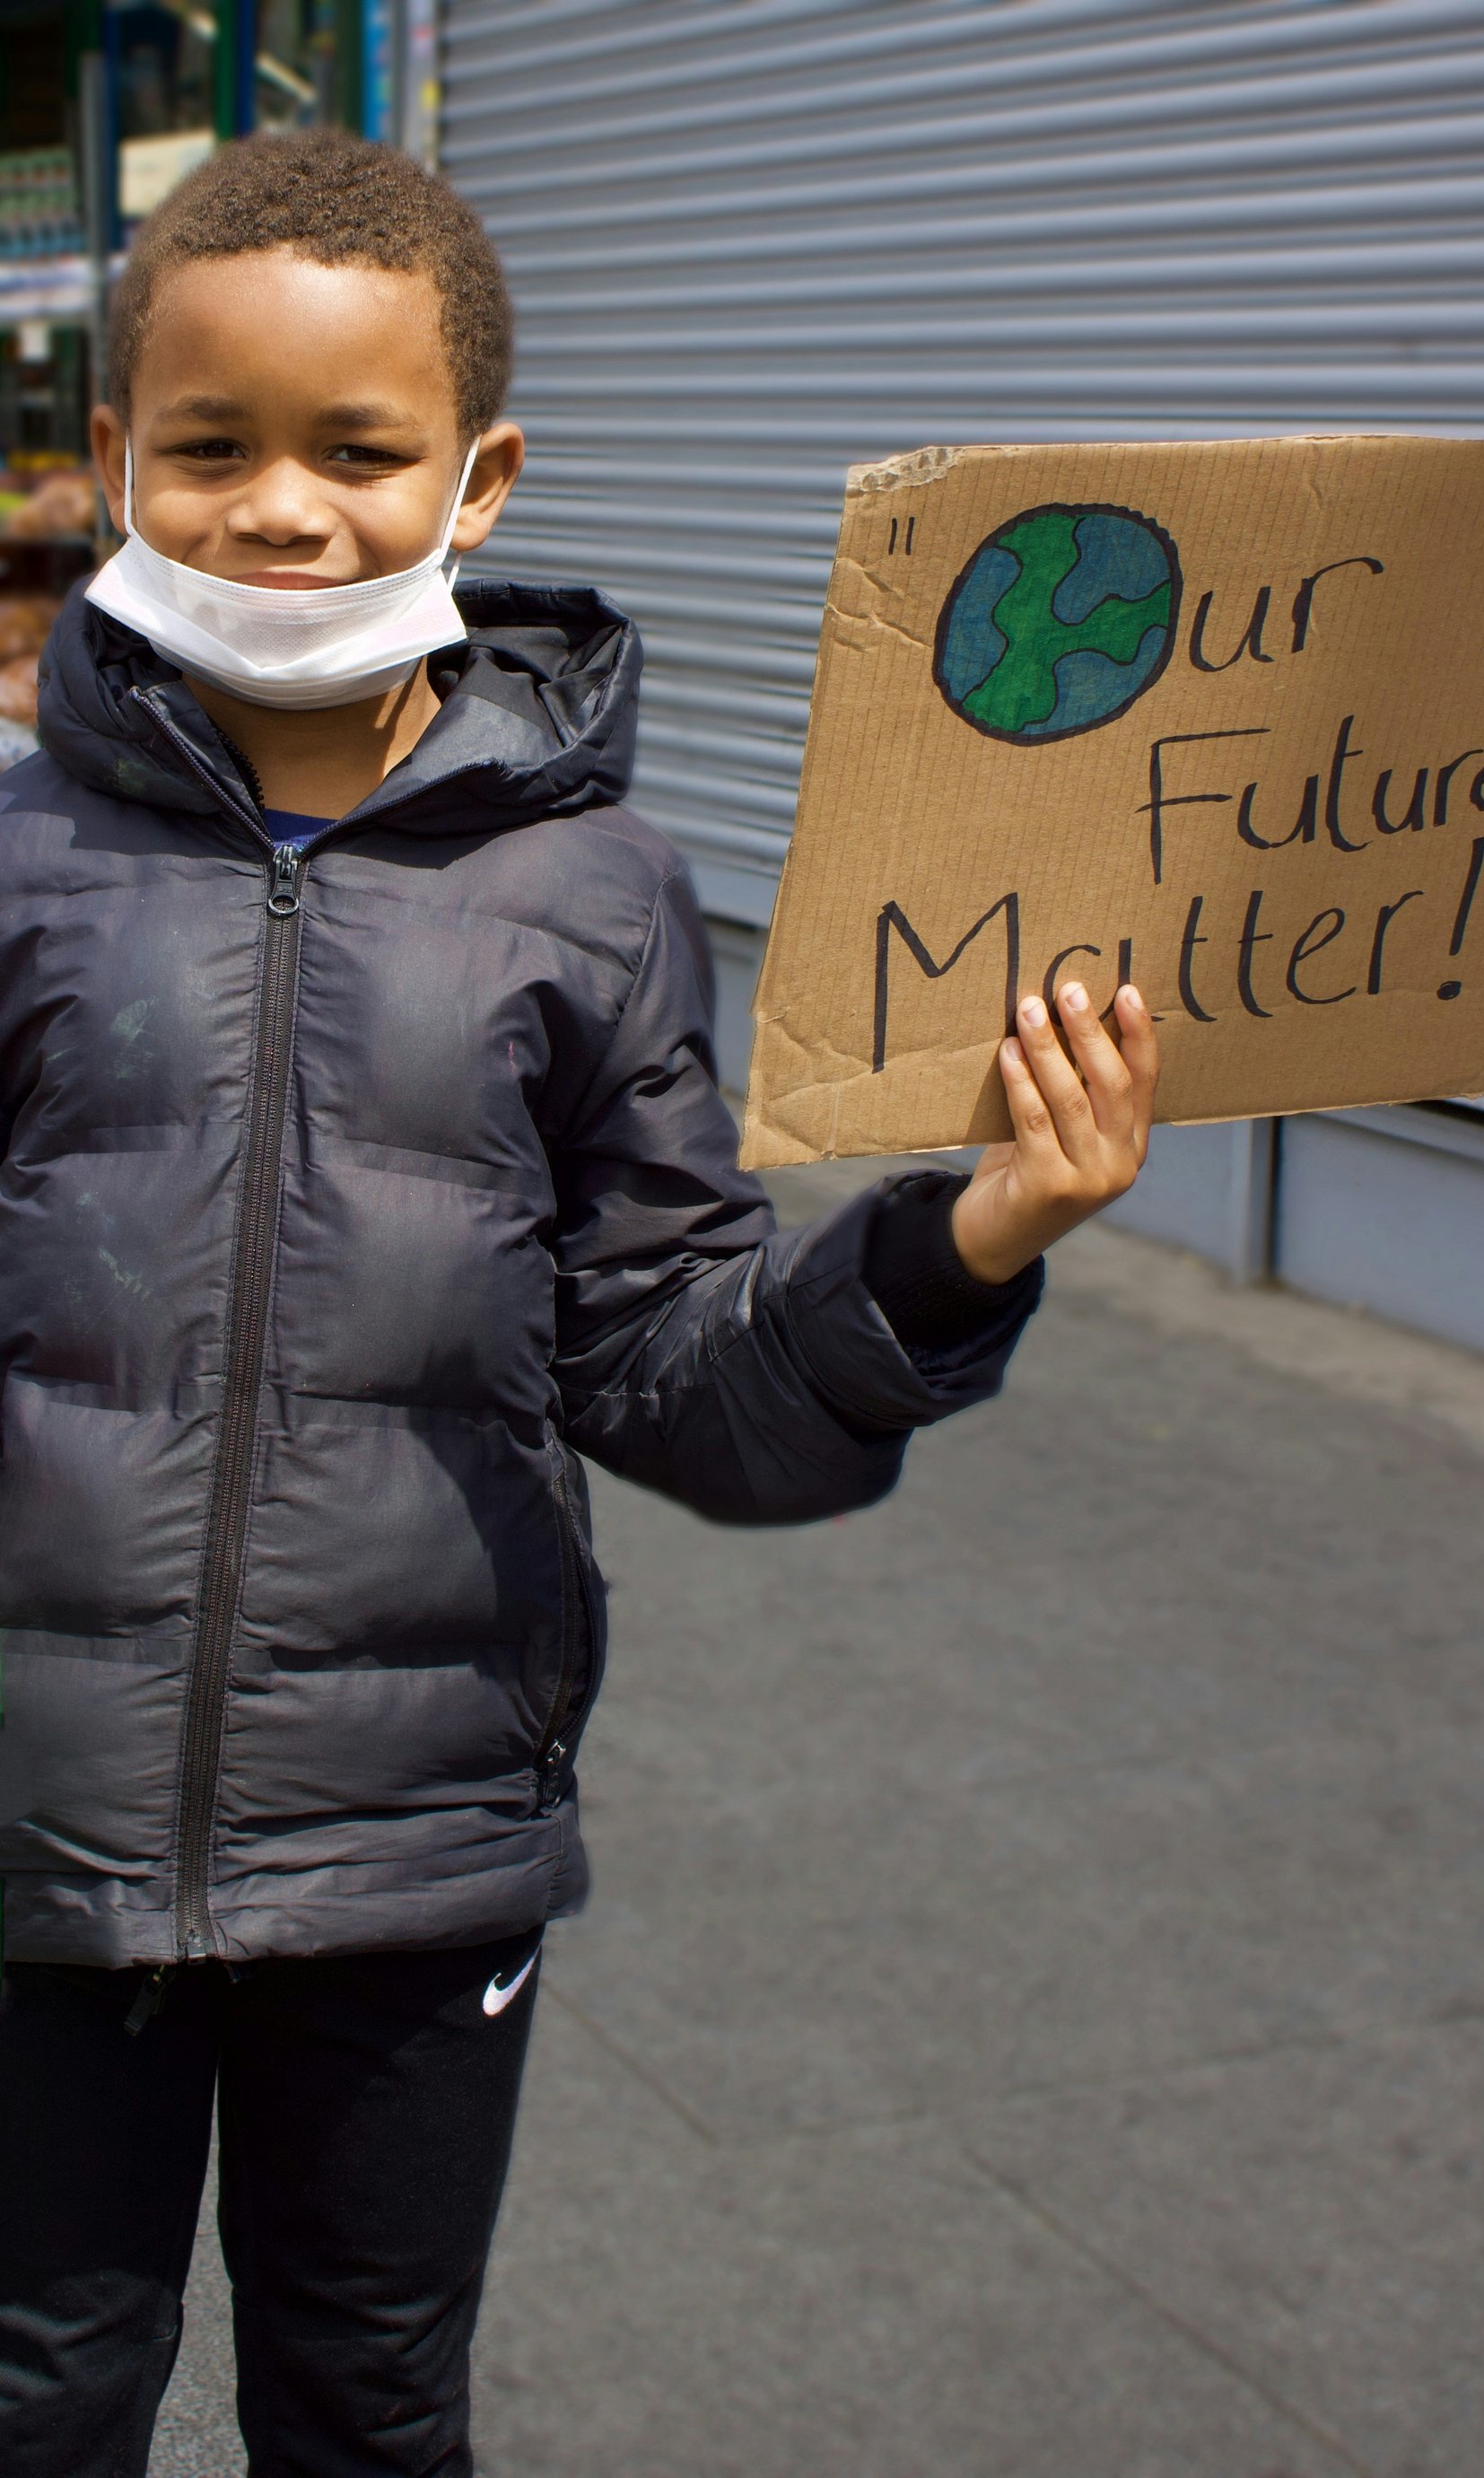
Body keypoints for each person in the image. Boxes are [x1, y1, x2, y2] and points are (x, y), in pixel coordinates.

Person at [0, 129, 1159, 2478]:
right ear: (116, 457)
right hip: (32, 1838)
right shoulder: (19, 849)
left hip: (425, 1858)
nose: (284, 509)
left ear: (482, 471)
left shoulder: (601, 889)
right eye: (210, 447)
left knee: (370, 2407)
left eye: (360, 449)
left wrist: (972, 1234)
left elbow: (681, 1368)